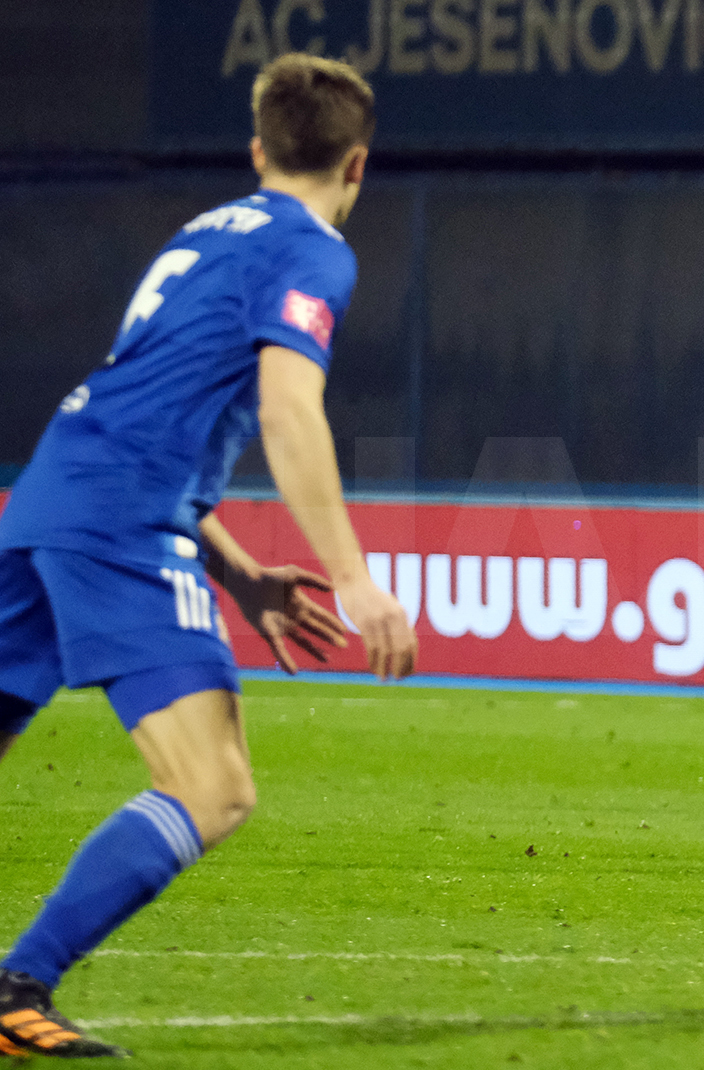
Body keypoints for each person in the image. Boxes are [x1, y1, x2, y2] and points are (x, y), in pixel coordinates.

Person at [0, 54, 417, 1058]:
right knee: (213, 784)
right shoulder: (314, 251)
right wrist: (353, 576)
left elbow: (150, 409)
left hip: (48, 495)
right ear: (357, 164)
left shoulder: (202, 233)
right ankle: (20, 987)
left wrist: (234, 571)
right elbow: (286, 405)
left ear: (256, 150)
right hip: (117, 524)